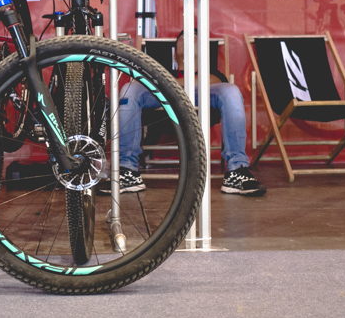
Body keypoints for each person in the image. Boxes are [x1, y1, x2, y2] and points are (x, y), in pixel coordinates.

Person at [105, 32, 266, 196]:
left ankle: (237, 171)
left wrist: (166, 82)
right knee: (129, 89)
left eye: (195, 37)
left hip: (199, 98)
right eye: (182, 38)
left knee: (231, 90)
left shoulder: (211, 74)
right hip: (162, 108)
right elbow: (141, 85)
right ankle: (126, 171)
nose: (188, 38)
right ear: (175, 55)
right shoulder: (161, 71)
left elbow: (214, 82)